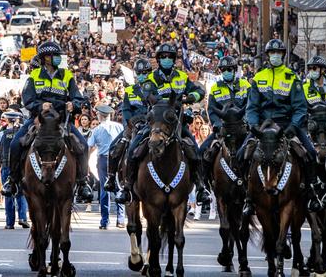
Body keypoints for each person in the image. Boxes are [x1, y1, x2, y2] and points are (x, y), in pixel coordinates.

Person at [116, 43, 209, 204]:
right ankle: (127, 187)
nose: (167, 59)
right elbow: (147, 94)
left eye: (170, 57)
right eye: (164, 57)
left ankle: (201, 187)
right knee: (132, 149)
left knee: (195, 150)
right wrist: (171, 102)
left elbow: (200, 91)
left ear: (174, 59)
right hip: (154, 124)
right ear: (158, 60)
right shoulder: (150, 78)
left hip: (177, 125)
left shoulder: (181, 76)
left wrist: (190, 97)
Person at [1, 41, 93, 201]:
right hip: (39, 120)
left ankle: (83, 182)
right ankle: (12, 180)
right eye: (54, 55)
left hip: (62, 120)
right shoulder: (34, 76)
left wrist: (74, 104)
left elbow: (77, 97)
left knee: (83, 146)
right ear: (46, 58)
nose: (58, 58)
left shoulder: (67, 75)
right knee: (15, 143)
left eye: (58, 55)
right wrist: (39, 105)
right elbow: (27, 100)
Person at [240, 39, 323, 216]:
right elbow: (252, 107)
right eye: (272, 53)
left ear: (283, 55)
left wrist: (294, 126)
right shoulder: (258, 77)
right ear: (268, 56)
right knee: (241, 155)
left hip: (287, 125)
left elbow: (300, 107)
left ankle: (312, 194)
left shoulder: (292, 77)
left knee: (310, 153)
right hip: (263, 127)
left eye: (278, 53)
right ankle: (248, 198)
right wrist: (253, 125)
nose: (275, 56)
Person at [103, 57, 152, 192]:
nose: (142, 75)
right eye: (139, 73)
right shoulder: (130, 91)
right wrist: (129, 125)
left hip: (151, 125)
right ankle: (111, 177)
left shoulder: (156, 89)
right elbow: (125, 110)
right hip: (133, 125)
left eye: (145, 72)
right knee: (114, 146)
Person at [198, 55, 251, 166]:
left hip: (243, 128)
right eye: (223, 70)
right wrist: (217, 125)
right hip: (224, 128)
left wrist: (248, 121)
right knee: (202, 151)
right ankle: (203, 182)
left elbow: (251, 105)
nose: (226, 72)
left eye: (229, 69)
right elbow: (211, 110)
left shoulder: (245, 85)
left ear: (235, 70)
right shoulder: (215, 88)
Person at [88, 105, 125, 229]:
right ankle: (120, 219)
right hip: (118, 159)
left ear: (100, 115)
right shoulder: (119, 127)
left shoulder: (97, 130)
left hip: (103, 159)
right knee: (119, 187)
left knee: (105, 189)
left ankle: (105, 221)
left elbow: (91, 145)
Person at [0, 110, 29, 229]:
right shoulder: (24, 133)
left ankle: (9, 222)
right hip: (21, 167)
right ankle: (23, 218)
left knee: (8, 192)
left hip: (6, 166)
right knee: (21, 193)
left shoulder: (2, 133)